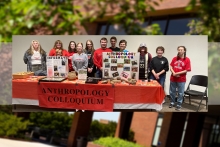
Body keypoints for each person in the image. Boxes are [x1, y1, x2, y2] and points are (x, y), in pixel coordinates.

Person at [169, 46, 191, 111]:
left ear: (184, 51)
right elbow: (171, 66)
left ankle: (179, 104)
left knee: (180, 93)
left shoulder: (187, 59)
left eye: (181, 50)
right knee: (172, 92)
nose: (180, 51)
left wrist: (178, 73)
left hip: (181, 79)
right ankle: (172, 102)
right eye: (179, 50)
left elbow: (187, 70)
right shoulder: (174, 58)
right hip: (173, 78)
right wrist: (174, 73)